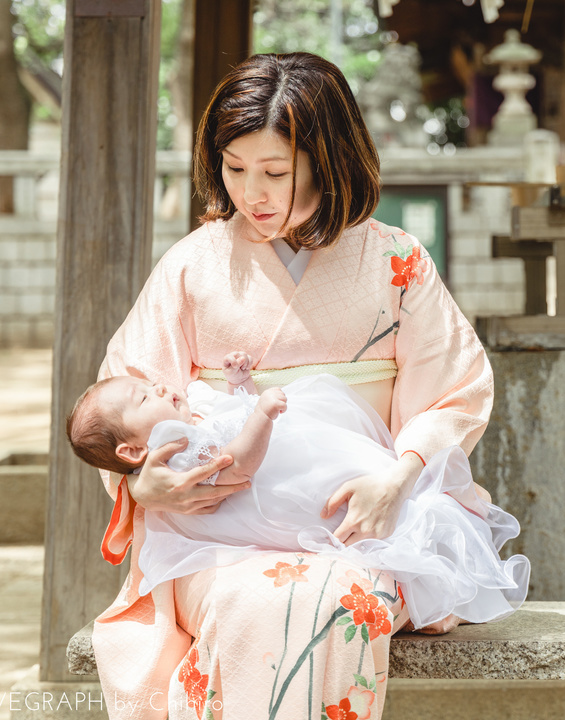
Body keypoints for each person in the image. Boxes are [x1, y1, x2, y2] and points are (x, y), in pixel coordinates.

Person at [91, 52, 496, 720]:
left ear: (328, 159)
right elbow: (125, 397)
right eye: (235, 168)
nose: (253, 193)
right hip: (216, 533)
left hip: (364, 526)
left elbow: (453, 391)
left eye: (276, 171)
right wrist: (141, 486)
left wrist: (399, 479)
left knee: (337, 599)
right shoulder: (192, 266)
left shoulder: (396, 261)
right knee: (250, 601)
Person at [67, 354, 527, 627]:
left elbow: (230, 415)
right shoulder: (179, 447)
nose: (158, 385)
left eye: (149, 384)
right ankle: (438, 577)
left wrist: (241, 387)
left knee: (374, 501)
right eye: (144, 396)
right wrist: (260, 414)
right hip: (279, 491)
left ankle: (435, 542)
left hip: (326, 452)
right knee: (346, 534)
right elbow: (238, 462)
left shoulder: (191, 413)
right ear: (131, 452)